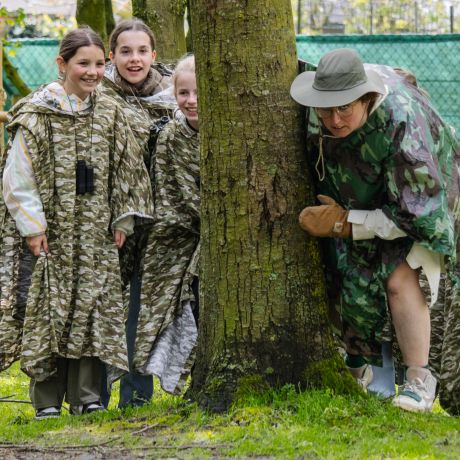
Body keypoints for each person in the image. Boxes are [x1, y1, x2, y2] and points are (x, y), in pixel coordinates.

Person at [290, 48, 460, 413]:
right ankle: (353, 369)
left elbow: (417, 215)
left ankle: (419, 381)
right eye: (325, 109)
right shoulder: (320, 107)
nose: (333, 120)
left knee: (400, 279)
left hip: (420, 203)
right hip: (359, 196)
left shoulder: (404, 125)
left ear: (366, 99)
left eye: (345, 109)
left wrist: (346, 224)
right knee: (346, 269)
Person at [0, 27, 153, 419]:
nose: (92, 72)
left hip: (96, 234)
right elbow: (19, 176)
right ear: (62, 64)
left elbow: (127, 168)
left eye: (100, 64)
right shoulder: (37, 113)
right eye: (83, 63)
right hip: (52, 237)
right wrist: (33, 227)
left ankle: (87, 396)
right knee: (49, 312)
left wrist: (122, 218)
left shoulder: (110, 111)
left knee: (91, 310)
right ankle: (47, 399)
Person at [100, 18, 175, 408]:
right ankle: (92, 395)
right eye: (125, 51)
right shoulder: (98, 94)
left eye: (142, 51)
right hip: (108, 222)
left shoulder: (174, 96)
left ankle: (136, 394)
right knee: (102, 303)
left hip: (158, 221)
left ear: (154, 55)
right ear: (112, 55)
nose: (134, 59)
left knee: (142, 308)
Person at [130, 54, 200, 395]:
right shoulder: (171, 136)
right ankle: (137, 392)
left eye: (199, 93)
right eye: (184, 93)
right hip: (175, 235)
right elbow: (173, 195)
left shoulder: (231, 135)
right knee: (152, 303)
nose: (191, 101)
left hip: (209, 241)